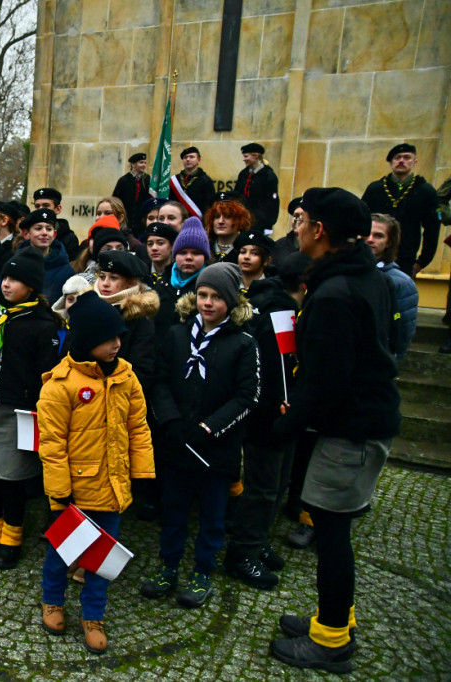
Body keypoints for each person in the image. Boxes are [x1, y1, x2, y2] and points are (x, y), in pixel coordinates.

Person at [268, 187, 401, 673]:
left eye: (301, 220)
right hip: (357, 422)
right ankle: (333, 618)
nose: (295, 228)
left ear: (319, 230)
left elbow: (328, 382)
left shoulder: (335, 293)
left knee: (331, 531)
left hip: (352, 432)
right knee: (330, 528)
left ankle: (331, 640)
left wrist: (285, 425)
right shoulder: (359, 276)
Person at [38, 291, 154, 654]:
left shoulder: (126, 378)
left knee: (102, 560)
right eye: (109, 338)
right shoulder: (60, 386)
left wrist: (142, 475)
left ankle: (93, 615)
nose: (117, 344)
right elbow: (52, 445)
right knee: (61, 552)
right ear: (88, 340)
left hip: (113, 488)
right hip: (75, 491)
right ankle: (52, 600)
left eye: (120, 337)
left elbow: (138, 428)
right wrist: (60, 492)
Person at [142, 262, 260, 609]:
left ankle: (203, 570)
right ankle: (168, 564)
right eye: (203, 295)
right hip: (178, 440)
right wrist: (171, 420)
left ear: (231, 302)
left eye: (217, 297)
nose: (208, 303)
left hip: (217, 447)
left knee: (212, 513)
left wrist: (210, 428)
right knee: (174, 507)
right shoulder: (178, 335)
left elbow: (247, 395)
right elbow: (160, 380)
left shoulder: (242, 343)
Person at [222, 252, 308, 590]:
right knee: (264, 488)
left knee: (276, 484)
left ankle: (256, 542)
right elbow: (280, 369)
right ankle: (242, 552)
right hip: (270, 415)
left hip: (281, 413)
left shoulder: (279, 304)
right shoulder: (278, 309)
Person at [0, 247, 60, 570]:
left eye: (15, 280)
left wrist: (35, 406)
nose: (6, 284)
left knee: (12, 479)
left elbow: (45, 372)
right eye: (5, 277)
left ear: (32, 286)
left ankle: (11, 537)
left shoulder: (41, 323)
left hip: (18, 410)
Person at [361, 143, 440, 276]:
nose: (401, 161)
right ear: (391, 163)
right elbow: (361, 221)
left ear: (414, 162)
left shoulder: (425, 191)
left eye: (406, 157)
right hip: (373, 256)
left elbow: (432, 229)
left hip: (406, 259)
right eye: (397, 158)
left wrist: (421, 262)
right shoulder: (375, 189)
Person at [93, 250, 159, 391]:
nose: (105, 284)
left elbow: (141, 370)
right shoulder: (87, 309)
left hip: (118, 396)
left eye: (114, 278)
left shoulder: (140, 318)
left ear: (130, 283)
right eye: (103, 277)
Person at [367, 214, 418, 361]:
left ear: (389, 242)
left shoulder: (401, 282)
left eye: (378, 236)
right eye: (366, 234)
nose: (370, 240)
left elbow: (403, 330)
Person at [152, 217, 210, 339]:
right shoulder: (160, 286)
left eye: (196, 253)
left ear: (205, 257)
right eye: (183, 252)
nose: (189, 257)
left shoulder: (210, 289)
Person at [19, 209, 75, 302]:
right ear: (26, 234)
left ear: (54, 234)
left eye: (49, 229)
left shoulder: (66, 271)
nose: (44, 233)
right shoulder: (14, 265)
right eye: (38, 228)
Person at [235, 143, 280, 233]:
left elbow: (273, 202)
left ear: (256, 156)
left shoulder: (269, 176)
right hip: (243, 221)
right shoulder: (243, 174)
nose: (244, 159)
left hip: (259, 224)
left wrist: (268, 224)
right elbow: (236, 195)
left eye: (246, 156)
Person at [33, 187, 81, 260]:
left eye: (46, 205)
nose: (41, 209)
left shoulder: (69, 238)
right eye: (37, 206)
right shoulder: (30, 234)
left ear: (58, 209)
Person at [171, 147, 215, 218]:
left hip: (197, 220)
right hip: (177, 220)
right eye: (185, 157)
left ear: (198, 160)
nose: (188, 159)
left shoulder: (205, 180)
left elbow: (209, 205)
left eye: (191, 157)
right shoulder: (175, 180)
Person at [112, 152, 150, 231]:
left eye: (145, 163)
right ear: (133, 164)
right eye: (141, 163)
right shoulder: (124, 180)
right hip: (126, 220)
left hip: (141, 221)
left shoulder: (148, 179)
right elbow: (115, 200)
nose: (144, 165)